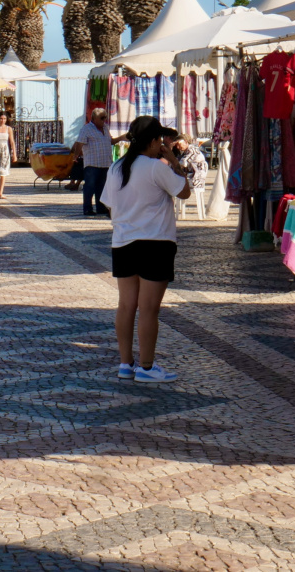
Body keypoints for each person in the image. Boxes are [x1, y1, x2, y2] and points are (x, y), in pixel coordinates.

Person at [101, 116, 191, 383]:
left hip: (123, 243)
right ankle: (148, 368)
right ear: (153, 141)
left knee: (126, 305)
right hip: (155, 243)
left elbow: (108, 204)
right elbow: (184, 192)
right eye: (161, 139)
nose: (164, 143)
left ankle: (126, 364)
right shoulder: (156, 168)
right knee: (149, 308)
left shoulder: (116, 168)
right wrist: (174, 163)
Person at [73, 108, 115, 216]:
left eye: (105, 118)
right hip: (92, 163)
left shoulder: (105, 128)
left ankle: (100, 207)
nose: (104, 120)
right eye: (102, 118)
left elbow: (110, 141)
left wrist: (122, 138)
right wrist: (75, 155)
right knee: (89, 187)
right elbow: (80, 143)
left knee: (101, 187)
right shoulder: (86, 129)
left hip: (105, 163)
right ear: (94, 118)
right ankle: (87, 208)